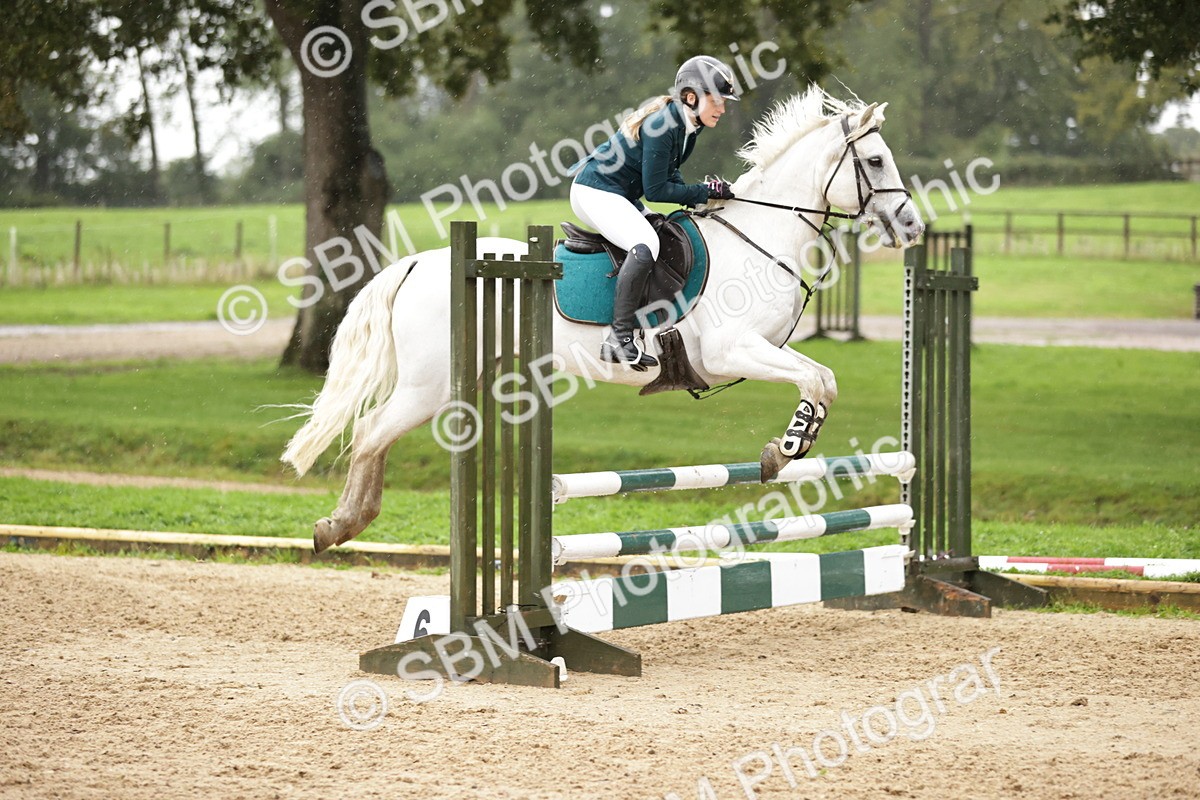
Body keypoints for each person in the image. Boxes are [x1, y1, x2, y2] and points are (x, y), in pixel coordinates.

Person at [570, 55, 739, 368]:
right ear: (691, 97)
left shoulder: (689, 125)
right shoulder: (664, 126)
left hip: (620, 195)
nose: (722, 108)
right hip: (595, 192)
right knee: (646, 243)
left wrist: (704, 197)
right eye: (717, 100)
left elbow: (670, 177)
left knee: (665, 231)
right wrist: (703, 192)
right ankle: (619, 338)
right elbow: (658, 191)